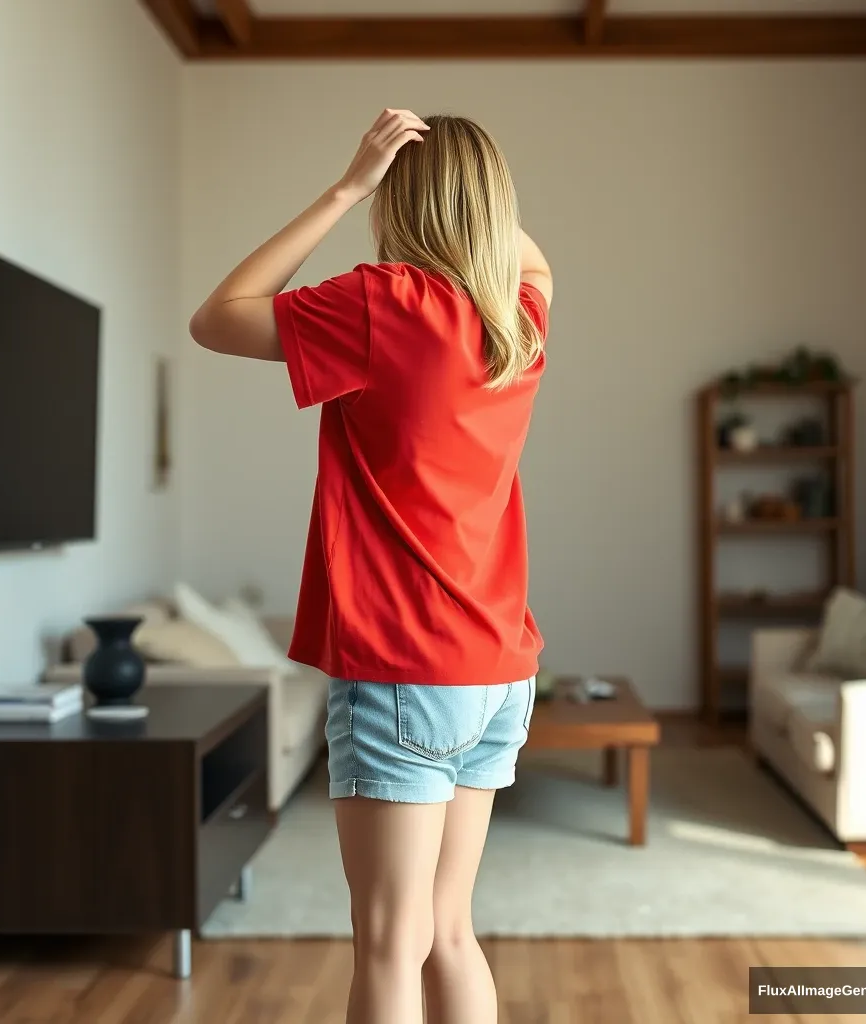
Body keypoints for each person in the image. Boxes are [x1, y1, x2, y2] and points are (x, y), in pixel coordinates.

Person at [189, 108, 553, 1024]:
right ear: (492, 208)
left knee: (390, 942)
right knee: (449, 931)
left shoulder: (382, 302)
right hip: (498, 671)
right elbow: (530, 255)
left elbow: (214, 318)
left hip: (401, 667)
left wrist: (347, 184)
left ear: (401, 204)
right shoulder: (519, 315)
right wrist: (472, 199)